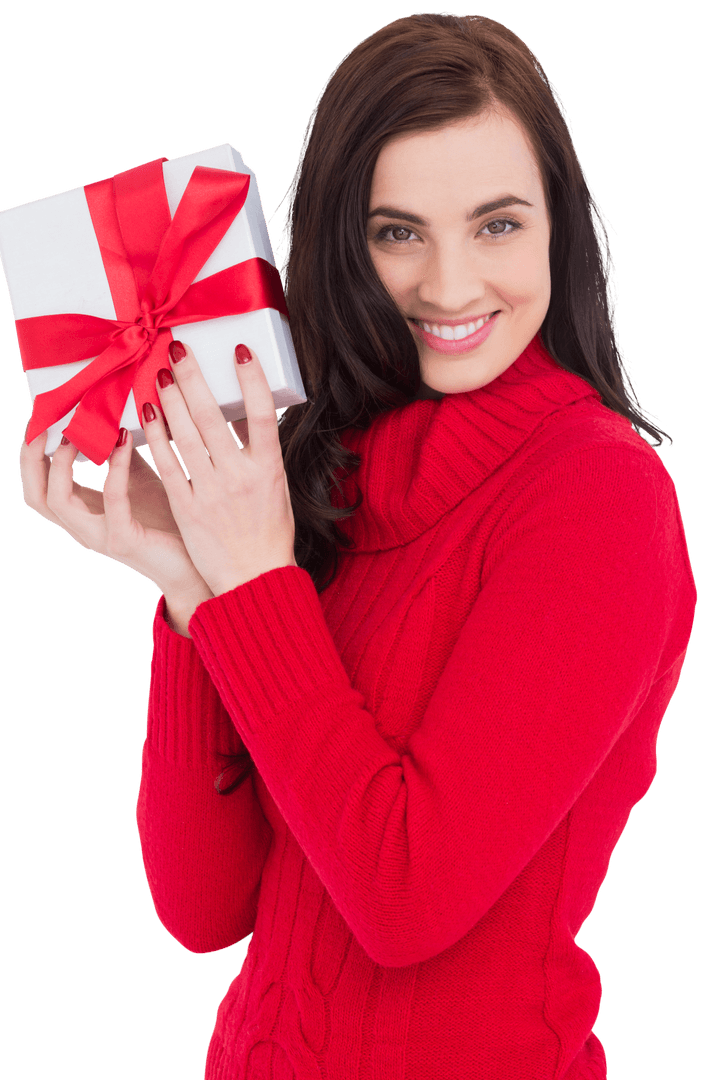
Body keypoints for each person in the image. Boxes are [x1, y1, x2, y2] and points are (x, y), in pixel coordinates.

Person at [18, 12, 697, 1080]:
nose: (449, 287)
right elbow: (204, 910)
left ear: (558, 227)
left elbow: (403, 901)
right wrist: (193, 589)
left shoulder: (597, 497)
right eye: (398, 233)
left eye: (497, 224)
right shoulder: (316, 469)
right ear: (342, 244)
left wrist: (253, 580)